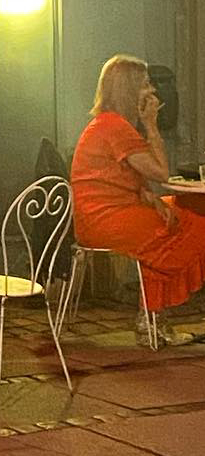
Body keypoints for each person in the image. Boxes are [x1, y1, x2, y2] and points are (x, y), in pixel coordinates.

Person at [71, 53, 205, 346]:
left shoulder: (108, 124)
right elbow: (161, 172)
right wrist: (152, 124)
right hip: (107, 220)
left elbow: (124, 176)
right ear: (129, 90)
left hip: (105, 214)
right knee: (192, 225)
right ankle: (152, 319)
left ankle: (152, 320)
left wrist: (148, 196)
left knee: (180, 210)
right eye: (145, 85)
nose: (152, 91)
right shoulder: (115, 126)